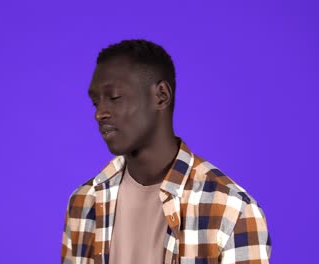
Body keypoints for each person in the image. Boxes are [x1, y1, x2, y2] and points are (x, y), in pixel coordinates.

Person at [61, 39, 271, 264]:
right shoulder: (84, 201)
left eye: (114, 98)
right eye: (95, 103)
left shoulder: (234, 210)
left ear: (161, 95)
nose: (99, 113)